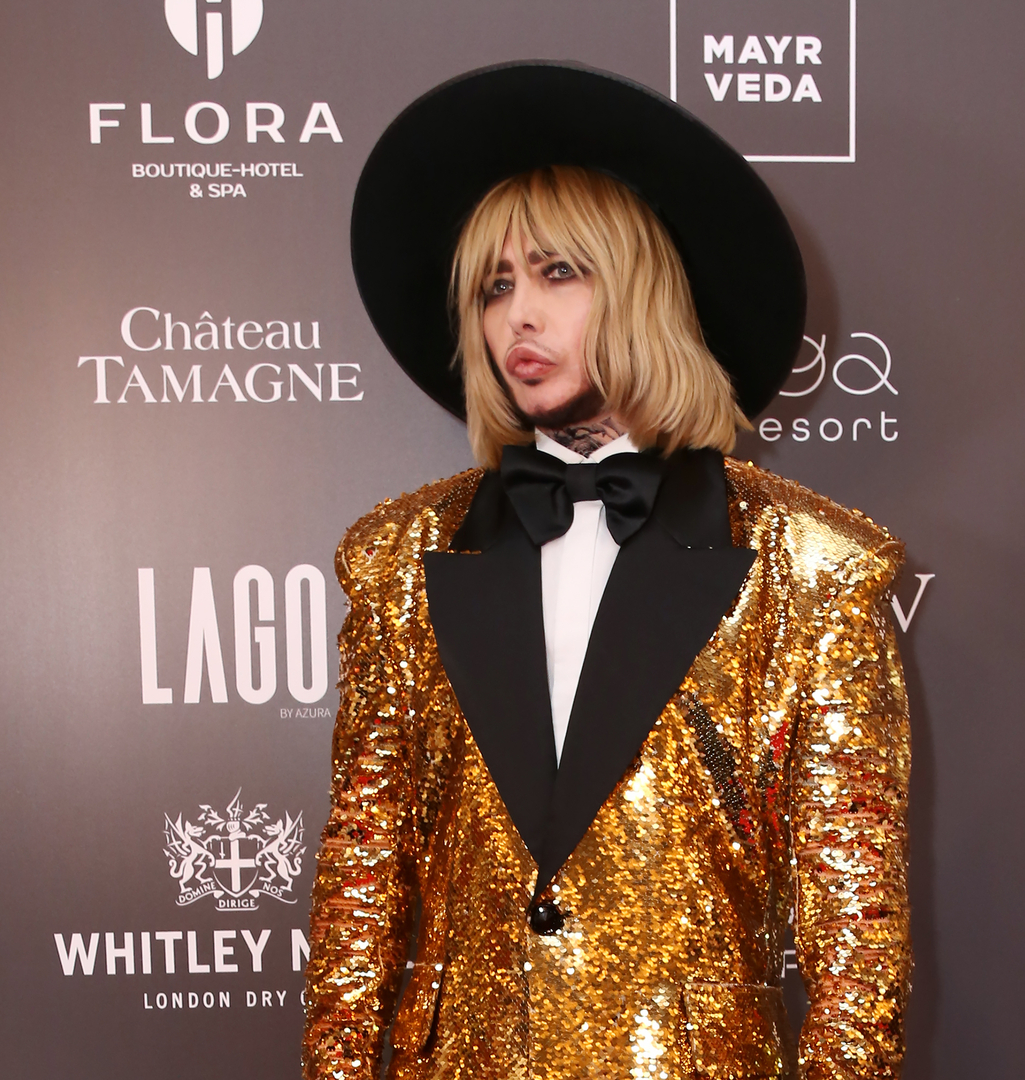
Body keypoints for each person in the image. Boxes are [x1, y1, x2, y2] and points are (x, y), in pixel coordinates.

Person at [303, 62, 910, 1080]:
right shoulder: (400, 560)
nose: (517, 317)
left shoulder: (811, 571)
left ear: (642, 290)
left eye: (557, 273)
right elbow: (359, 881)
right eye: (494, 287)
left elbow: (858, 945)